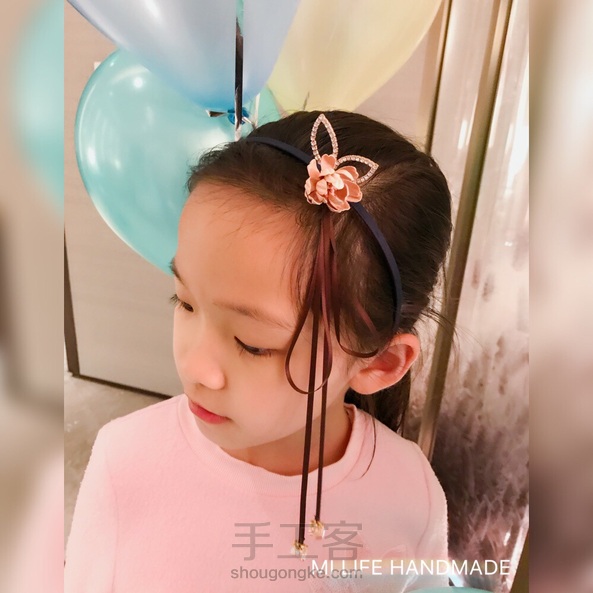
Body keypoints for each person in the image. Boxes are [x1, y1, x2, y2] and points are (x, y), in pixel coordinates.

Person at [65, 110, 453, 592]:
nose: (196, 368)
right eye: (184, 302)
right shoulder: (125, 459)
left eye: (253, 344)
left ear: (379, 362)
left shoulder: (408, 494)